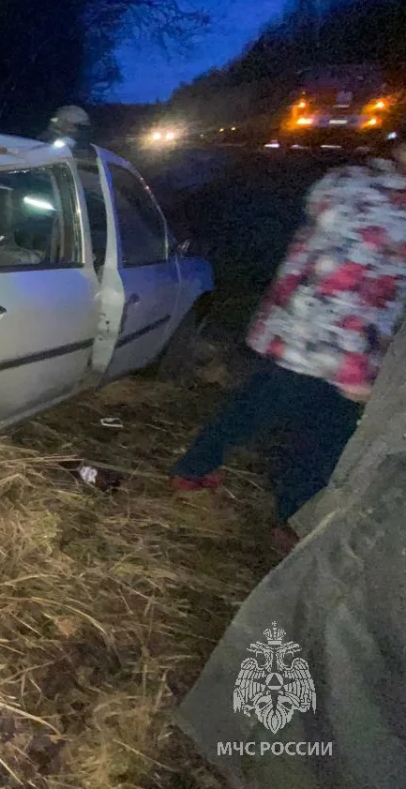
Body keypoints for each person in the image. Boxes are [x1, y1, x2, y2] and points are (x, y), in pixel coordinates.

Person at [172, 145, 406, 549]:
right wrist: (355, 370)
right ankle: (291, 521)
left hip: (291, 328)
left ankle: (195, 469)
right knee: (321, 439)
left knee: (255, 406)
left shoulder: (344, 181)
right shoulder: (394, 208)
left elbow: (307, 247)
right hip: (336, 349)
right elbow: (357, 291)